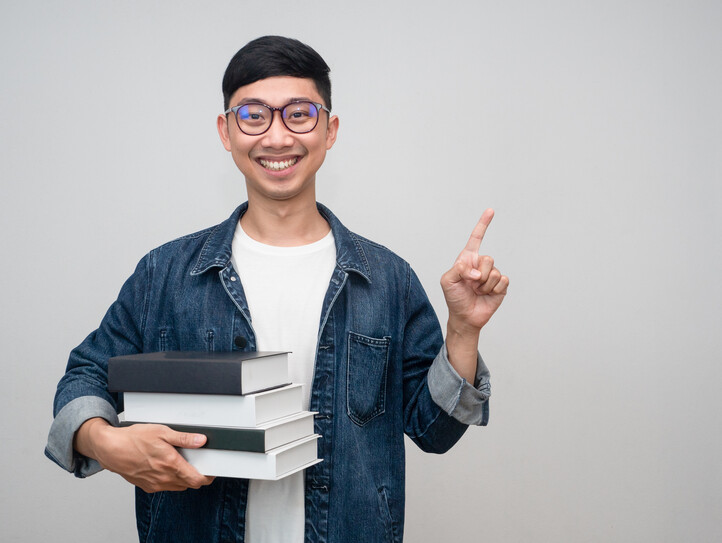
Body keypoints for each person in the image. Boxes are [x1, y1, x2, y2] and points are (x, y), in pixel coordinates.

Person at [45, 35, 509, 542]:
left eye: (299, 114)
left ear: (330, 130)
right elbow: (86, 374)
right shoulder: (165, 273)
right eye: (253, 116)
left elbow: (435, 431)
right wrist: (106, 443)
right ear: (226, 131)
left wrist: (463, 331)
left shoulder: (387, 279)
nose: (277, 137)